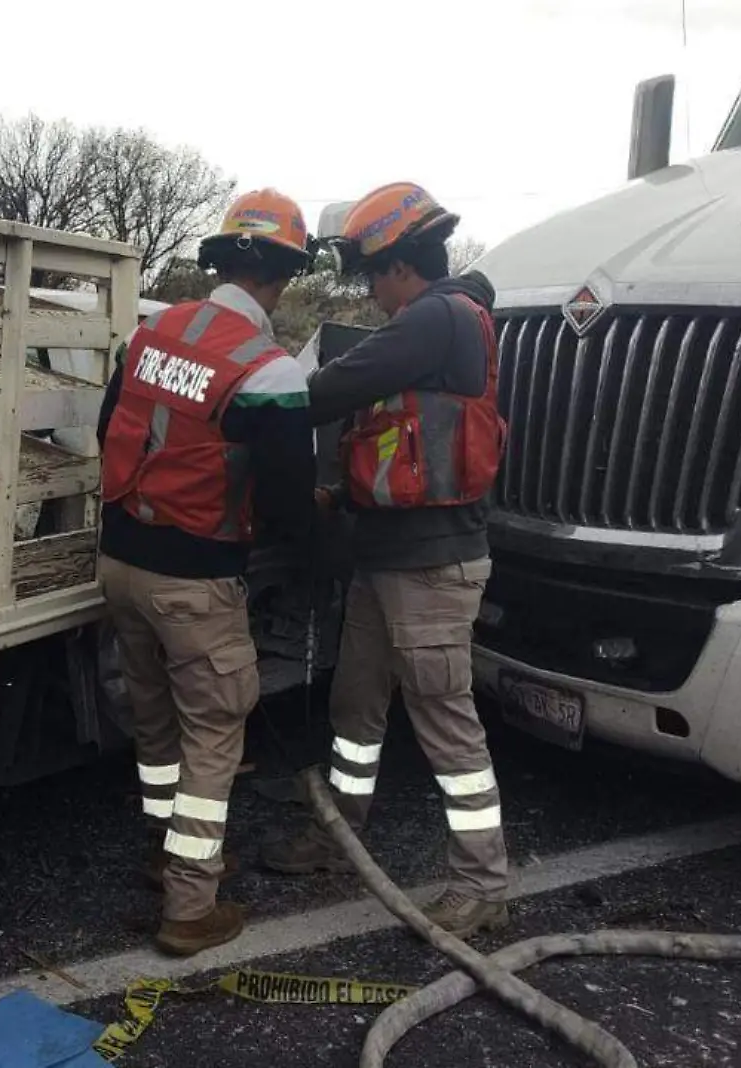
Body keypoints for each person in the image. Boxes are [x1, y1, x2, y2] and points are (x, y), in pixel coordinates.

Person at [256, 182, 512, 939]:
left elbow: (332, 388)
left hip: (432, 567)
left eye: (371, 274)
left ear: (400, 264)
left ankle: (483, 882)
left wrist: (256, 401)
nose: (368, 291)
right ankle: (342, 835)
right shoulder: (431, 324)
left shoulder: (439, 316)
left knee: (446, 725)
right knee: (355, 710)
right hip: (386, 556)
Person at [95, 188, 318, 957]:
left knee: (155, 727)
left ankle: (164, 851)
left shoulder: (153, 330)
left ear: (220, 261)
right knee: (215, 736)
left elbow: (109, 430)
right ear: (284, 275)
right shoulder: (269, 368)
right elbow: (291, 502)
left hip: (120, 561)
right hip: (195, 581)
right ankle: (191, 906)